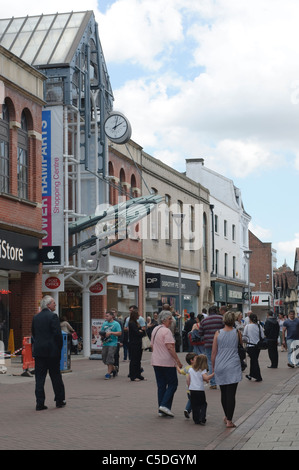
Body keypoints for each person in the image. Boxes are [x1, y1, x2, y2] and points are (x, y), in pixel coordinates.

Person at [31, 296, 66, 411]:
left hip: (39, 352)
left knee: (39, 378)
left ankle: (39, 403)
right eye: (54, 303)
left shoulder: (36, 317)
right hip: (52, 352)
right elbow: (57, 335)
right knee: (55, 376)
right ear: (48, 305)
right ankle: (59, 400)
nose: (55, 305)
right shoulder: (53, 316)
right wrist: (59, 348)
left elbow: (34, 334)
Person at [212, 311, 242, 428]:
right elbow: (240, 346)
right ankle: (229, 420)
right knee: (231, 394)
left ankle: (226, 415)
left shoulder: (218, 333)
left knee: (223, 393)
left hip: (220, 365)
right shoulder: (237, 332)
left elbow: (214, 352)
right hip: (233, 365)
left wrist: (213, 367)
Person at [151, 310, 183, 417]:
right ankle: (165, 405)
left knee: (161, 385)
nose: (171, 321)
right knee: (173, 384)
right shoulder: (167, 331)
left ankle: (162, 408)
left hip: (156, 361)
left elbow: (152, 345)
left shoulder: (155, 329)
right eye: (170, 319)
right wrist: (178, 361)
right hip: (166, 362)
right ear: (164, 320)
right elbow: (170, 347)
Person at [198, 305, 224, 389]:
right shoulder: (221, 319)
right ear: (216, 311)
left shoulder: (204, 320)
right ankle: (222, 381)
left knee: (210, 361)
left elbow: (200, 333)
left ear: (209, 312)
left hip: (208, 344)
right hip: (220, 343)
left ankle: (213, 383)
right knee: (221, 360)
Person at [186, 354, 214, 425]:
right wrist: (214, 374)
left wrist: (189, 387)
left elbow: (188, 379)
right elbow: (206, 378)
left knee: (194, 405)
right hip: (200, 390)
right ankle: (202, 418)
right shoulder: (202, 370)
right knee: (203, 404)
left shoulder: (191, 369)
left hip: (192, 389)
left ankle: (196, 419)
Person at [100, 311, 122, 379]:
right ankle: (114, 368)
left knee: (110, 357)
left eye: (107, 316)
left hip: (113, 343)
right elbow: (102, 332)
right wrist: (102, 336)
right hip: (105, 343)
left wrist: (111, 333)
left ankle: (108, 373)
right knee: (104, 358)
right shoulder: (104, 324)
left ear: (112, 316)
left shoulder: (116, 324)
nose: (106, 317)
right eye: (105, 316)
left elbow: (120, 333)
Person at [243, 313, 264, 382]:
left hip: (250, 346)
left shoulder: (247, 326)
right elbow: (262, 336)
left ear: (250, 319)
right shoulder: (259, 326)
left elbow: (244, 336)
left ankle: (258, 376)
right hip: (258, 346)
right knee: (253, 360)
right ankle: (251, 374)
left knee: (254, 361)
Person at [176, 352, 197, 419]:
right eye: (196, 358)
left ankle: (188, 410)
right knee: (194, 400)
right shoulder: (197, 368)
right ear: (192, 360)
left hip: (188, 390)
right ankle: (188, 410)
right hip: (196, 388)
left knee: (191, 400)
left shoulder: (187, 368)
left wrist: (176, 366)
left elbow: (180, 371)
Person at [128, 308, 146, 381]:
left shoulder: (135, 323)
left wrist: (140, 331)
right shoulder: (131, 323)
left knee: (138, 360)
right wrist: (141, 331)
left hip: (138, 344)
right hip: (134, 344)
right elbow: (137, 333)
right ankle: (133, 375)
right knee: (134, 360)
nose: (139, 316)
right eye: (138, 315)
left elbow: (140, 332)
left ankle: (138, 374)